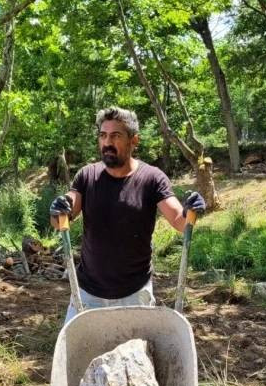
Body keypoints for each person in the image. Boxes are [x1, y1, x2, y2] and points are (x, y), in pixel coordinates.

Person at [49, 106, 205, 323]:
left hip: (134, 295)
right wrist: (60, 206)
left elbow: (180, 222)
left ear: (134, 140)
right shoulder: (87, 176)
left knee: (134, 356)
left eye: (116, 136)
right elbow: (63, 216)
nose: (107, 143)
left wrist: (190, 210)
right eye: (103, 136)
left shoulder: (152, 178)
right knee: (76, 354)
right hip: (87, 295)